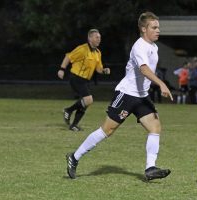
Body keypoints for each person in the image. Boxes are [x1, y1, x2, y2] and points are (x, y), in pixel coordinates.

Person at [65, 12, 173, 181]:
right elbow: (144, 69)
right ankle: (74, 157)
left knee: (155, 127)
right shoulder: (139, 46)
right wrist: (161, 83)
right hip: (126, 94)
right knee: (107, 130)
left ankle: (150, 168)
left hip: (142, 97)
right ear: (144, 29)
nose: (158, 30)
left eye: (158, 27)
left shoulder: (154, 47)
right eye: (154, 27)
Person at [57, 29, 111, 131]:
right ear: (90, 38)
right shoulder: (82, 49)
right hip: (76, 78)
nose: (99, 39)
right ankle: (68, 110)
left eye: (99, 37)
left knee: (85, 103)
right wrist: (62, 69)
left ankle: (73, 125)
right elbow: (68, 57)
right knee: (88, 100)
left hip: (85, 81)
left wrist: (104, 70)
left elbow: (98, 69)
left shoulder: (97, 53)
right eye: (96, 37)